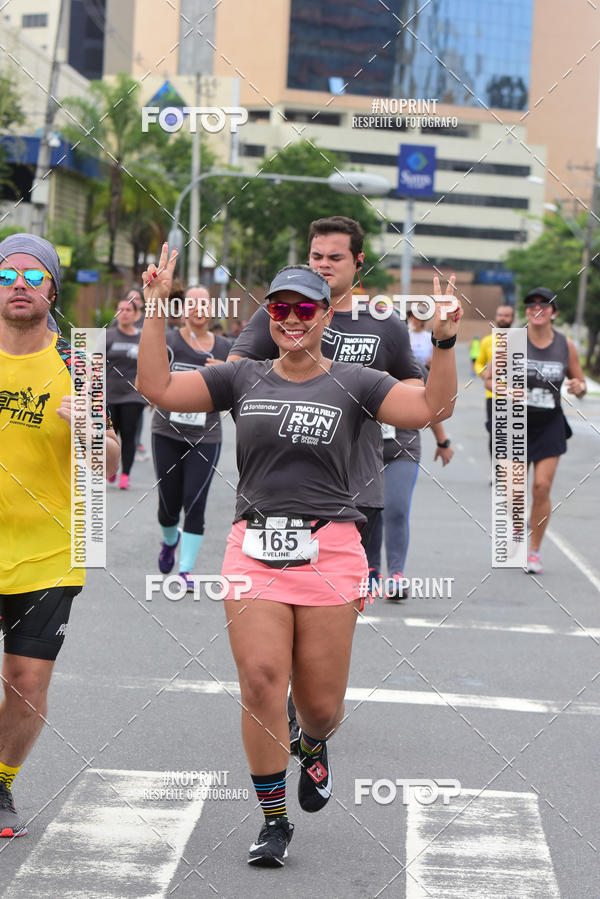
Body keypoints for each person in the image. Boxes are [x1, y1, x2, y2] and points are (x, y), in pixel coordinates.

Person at [137, 244, 462, 868]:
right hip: (253, 547)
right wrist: (157, 307)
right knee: (260, 681)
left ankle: (312, 747)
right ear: (269, 313)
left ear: (324, 316)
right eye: (280, 307)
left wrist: (443, 346)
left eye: (304, 308)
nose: (291, 318)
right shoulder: (241, 376)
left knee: (321, 706)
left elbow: (430, 409)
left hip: (332, 548)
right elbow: (158, 387)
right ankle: (273, 819)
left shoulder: (357, 381)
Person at [229, 215, 423, 752]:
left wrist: (370, 392)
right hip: (286, 487)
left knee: (325, 638)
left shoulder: (383, 323)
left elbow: (415, 384)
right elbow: (236, 369)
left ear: (358, 263)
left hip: (361, 486)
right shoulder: (282, 313)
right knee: (272, 636)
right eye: (316, 256)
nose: (323, 265)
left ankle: (312, 717)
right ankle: (285, 706)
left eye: (334, 258)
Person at [0, 233, 119, 838]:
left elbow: (110, 461)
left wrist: (89, 431)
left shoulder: (81, 365)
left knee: (26, 683)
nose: (17, 285)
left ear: (52, 287)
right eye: (5, 275)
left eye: (31, 276)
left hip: (49, 554)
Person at [152, 286, 232, 588]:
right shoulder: (169, 342)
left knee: (194, 502)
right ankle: (169, 540)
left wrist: (227, 372)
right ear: (182, 309)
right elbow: (149, 375)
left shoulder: (226, 348)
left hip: (206, 436)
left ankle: (185, 571)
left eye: (205, 304)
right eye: (193, 304)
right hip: (166, 433)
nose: (199, 309)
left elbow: (240, 390)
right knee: (169, 505)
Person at [366, 366, 454, 600]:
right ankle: (371, 571)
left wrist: (443, 442)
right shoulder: (357, 356)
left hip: (402, 449)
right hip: (363, 450)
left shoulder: (411, 365)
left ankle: (396, 574)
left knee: (396, 508)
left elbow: (430, 406)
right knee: (369, 510)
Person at [521, 288, 586, 574]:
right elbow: (488, 379)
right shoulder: (512, 341)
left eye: (544, 305)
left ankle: (534, 551)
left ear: (553, 313)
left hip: (549, 424)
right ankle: (516, 523)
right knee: (513, 491)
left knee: (541, 487)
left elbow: (580, 382)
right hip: (516, 423)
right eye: (532, 304)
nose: (537, 308)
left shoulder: (565, 345)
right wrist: (504, 389)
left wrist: (578, 387)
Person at [106, 297, 147, 489]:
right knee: (112, 434)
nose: (124, 313)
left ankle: (125, 474)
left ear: (135, 314)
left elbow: (150, 365)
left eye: (128, 310)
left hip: (133, 395)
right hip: (109, 393)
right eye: (120, 309)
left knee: (129, 435)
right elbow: (94, 365)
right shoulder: (108, 336)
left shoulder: (142, 337)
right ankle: (111, 469)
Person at [474, 304, 515, 460]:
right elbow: (479, 363)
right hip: (493, 395)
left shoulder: (521, 340)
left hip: (515, 396)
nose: (502, 318)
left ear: (512, 318)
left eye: (506, 315)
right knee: (496, 434)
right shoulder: (487, 341)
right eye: (500, 315)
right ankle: (497, 469)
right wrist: (484, 374)